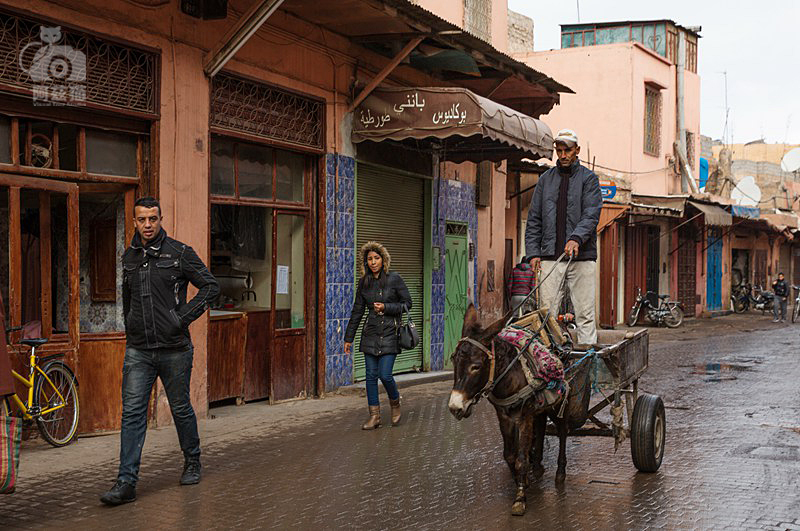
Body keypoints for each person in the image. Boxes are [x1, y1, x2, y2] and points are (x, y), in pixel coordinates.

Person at [101, 197, 219, 506]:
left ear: (161, 218)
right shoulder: (129, 256)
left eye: (153, 218)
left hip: (174, 348)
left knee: (180, 408)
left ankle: (192, 460)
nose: (148, 224)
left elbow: (210, 286)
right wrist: (130, 326)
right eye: (142, 219)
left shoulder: (179, 253)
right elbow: (128, 299)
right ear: (135, 222)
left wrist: (181, 318)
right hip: (138, 349)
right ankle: (126, 482)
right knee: (132, 414)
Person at [525, 128, 602, 347]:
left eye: (567, 150)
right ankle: (550, 359)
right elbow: (534, 220)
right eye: (559, 150)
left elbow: (591, 214)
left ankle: (589, 362)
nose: (563, 155)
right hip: (550, 257)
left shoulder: (589, 179)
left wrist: (576, 238)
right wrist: (533, 254)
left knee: (585, 314)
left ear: (576, 150)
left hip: (582, 257)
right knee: (546, 314)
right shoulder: (545, 180)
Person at [344, 241, 411, 430]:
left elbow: (407, 304)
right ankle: (375, 416)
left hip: (390, 333)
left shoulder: (394, 279)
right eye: (370, 259)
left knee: (385, 375)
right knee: (370, 377)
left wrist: (387, 307)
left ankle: (395, 404)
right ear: (365, 262)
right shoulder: (364, 282)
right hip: (370, 334)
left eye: (376, 258)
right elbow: (357, 311)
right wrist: (348, 338)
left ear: (383, 260)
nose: (373, 262)